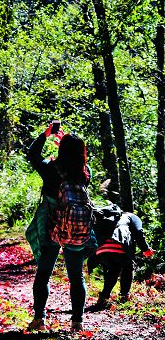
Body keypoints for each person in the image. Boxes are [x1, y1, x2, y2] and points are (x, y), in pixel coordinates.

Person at [26, 123, 93, 333]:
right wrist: (67, 148)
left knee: (44, 272)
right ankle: (77, 322)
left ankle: (39, 319)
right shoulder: (85, 173)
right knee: (76, 276)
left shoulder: (50, 168)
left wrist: (46, 134)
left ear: (61, 150)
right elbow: (74, 166)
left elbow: (32, 154)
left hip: (51, 225)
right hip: (75, 227)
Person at [87, 206, 155, 310]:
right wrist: (145, 249)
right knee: (128, 267)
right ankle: (124, 297)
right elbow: (138, 233)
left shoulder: (108, 217)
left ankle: (103, 298)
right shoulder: (132, 217)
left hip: (101, 249)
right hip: (119, 247)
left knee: (113, 270)